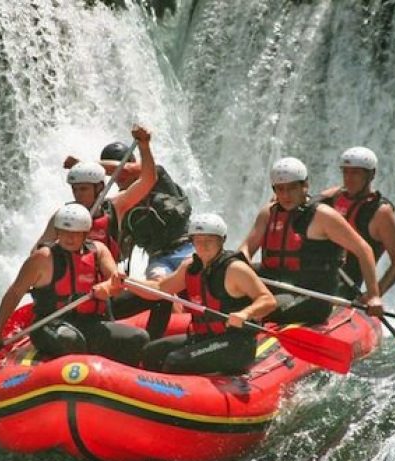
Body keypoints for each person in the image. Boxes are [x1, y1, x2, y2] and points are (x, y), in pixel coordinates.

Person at [0, 203, 149, 366]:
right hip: (49, 324)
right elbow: (14, 293)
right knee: (70, 340)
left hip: (90, 323)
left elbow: (115, 281)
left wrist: (108, 287)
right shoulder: (42, 258)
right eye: (64, 232)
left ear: (85, 234)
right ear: (57, 232)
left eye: (75, 233)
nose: (69, 238)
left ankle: (114, 379)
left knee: (138, 339)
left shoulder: (99, 251)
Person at [123, 213, 276, 375]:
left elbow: (268, 300)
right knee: (151, 353)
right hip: (204, 337)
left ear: (221, 241)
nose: (203, 246)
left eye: (209, 240)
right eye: (198, 240)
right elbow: (159, 289)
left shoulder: (235, 269)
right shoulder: (190, 267)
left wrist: (245, 314)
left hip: (234, 342)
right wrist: (126, 282)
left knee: (176, 361)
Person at [238, 157, 383, 325]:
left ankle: (248, 330)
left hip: (311, 295)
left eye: (292, 188)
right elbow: (246, 249)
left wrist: (373, 296)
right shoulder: (268, 213)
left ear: (304, 186)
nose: (286, 195)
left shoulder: (323, 216)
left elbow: (364, 249)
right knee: (229, 289)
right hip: (275, 284)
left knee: (259, 307)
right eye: (280, 189)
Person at [35, 125, 158, 261]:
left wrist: (144, 145)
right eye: (75, 189)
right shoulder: (63, 215)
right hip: (75, 277)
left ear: (99, 188)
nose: (78, 194)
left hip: (104, 277)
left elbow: (148, 180)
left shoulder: (115, 207)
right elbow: (38, 250)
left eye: (83, 189)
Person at [94, 138, 193, 280]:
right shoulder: (118, 205)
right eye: (115, 174)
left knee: (198, 275)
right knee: (157, 281)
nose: (120, 176)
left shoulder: (156, 174)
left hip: (187, 247)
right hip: (159, 259)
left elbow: (127, 169)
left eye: (120, 168)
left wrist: (85, 165)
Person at [320, 147, 395, 298]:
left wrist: (374, 295)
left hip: (345, 289)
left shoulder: (381, 212)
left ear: (371, 175)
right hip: (316, 279)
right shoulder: (336, 195)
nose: (348, 178)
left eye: (355, 173)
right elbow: (305, 203)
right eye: (345, 172)